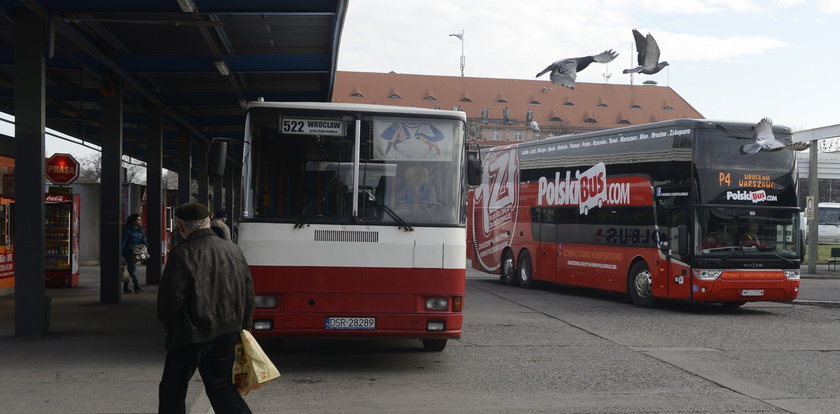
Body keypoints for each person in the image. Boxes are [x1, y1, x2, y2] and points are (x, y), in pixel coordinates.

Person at [157, 202, 254, 414]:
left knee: (173, 388)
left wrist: (168, 325)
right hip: (227, 330)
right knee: (221, 386)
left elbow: (170, 299)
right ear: (207, 222)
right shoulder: (234, 250)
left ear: (182, 227)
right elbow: (248, 292)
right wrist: (243, 326)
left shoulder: (181, 254)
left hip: (190, 333)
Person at [120, 213, 148, 293]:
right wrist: (120, 253)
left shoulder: (140, 230)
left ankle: (126, 288)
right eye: (138, 220)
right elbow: (123, 242)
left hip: (137, 252)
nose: (140, 221)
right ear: (133, 221)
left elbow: (144, 240)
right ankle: (136, 286)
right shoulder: (127, 230)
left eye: (140, 220)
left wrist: (145, 246)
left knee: (129, 270)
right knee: (132, 269)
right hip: (128, 252)